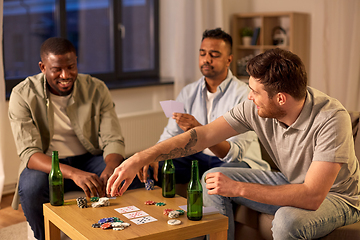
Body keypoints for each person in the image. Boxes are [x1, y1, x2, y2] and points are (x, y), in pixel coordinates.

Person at [107, 48, 360, 240]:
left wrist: (238, 188)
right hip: (290, 181)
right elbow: (202, 136)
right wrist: (140, 157)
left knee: (286, 221)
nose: (249, 97)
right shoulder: (256, 106)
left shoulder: (331, 118)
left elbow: (312, 196)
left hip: (337, 197)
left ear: (281, 98)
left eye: (255, 91)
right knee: (211, 178)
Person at [8, 37, 136, 240]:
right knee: (31, 188)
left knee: (130, 173)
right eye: (57, 69)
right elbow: (30, 154)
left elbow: (113, 139)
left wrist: (111, 169)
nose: (65, 75)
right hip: (48, 165)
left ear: (76, 61)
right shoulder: (22, 94)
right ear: (42, 67)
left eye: (71, 66)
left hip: (88, 158)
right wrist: (74, 174)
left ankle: (119, 233)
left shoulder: (96, 88)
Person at [142, 28, 269, 184]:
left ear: (229, 60)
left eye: (214, 55)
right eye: (202, 54)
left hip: (235, 162)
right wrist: (154, 154)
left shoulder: (245, 95)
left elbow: (236, 153)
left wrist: (200, 131)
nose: (206, 60)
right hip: (196, 157)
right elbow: (171, 132)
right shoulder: (187, 92)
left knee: (212, 177)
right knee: (150, 166)